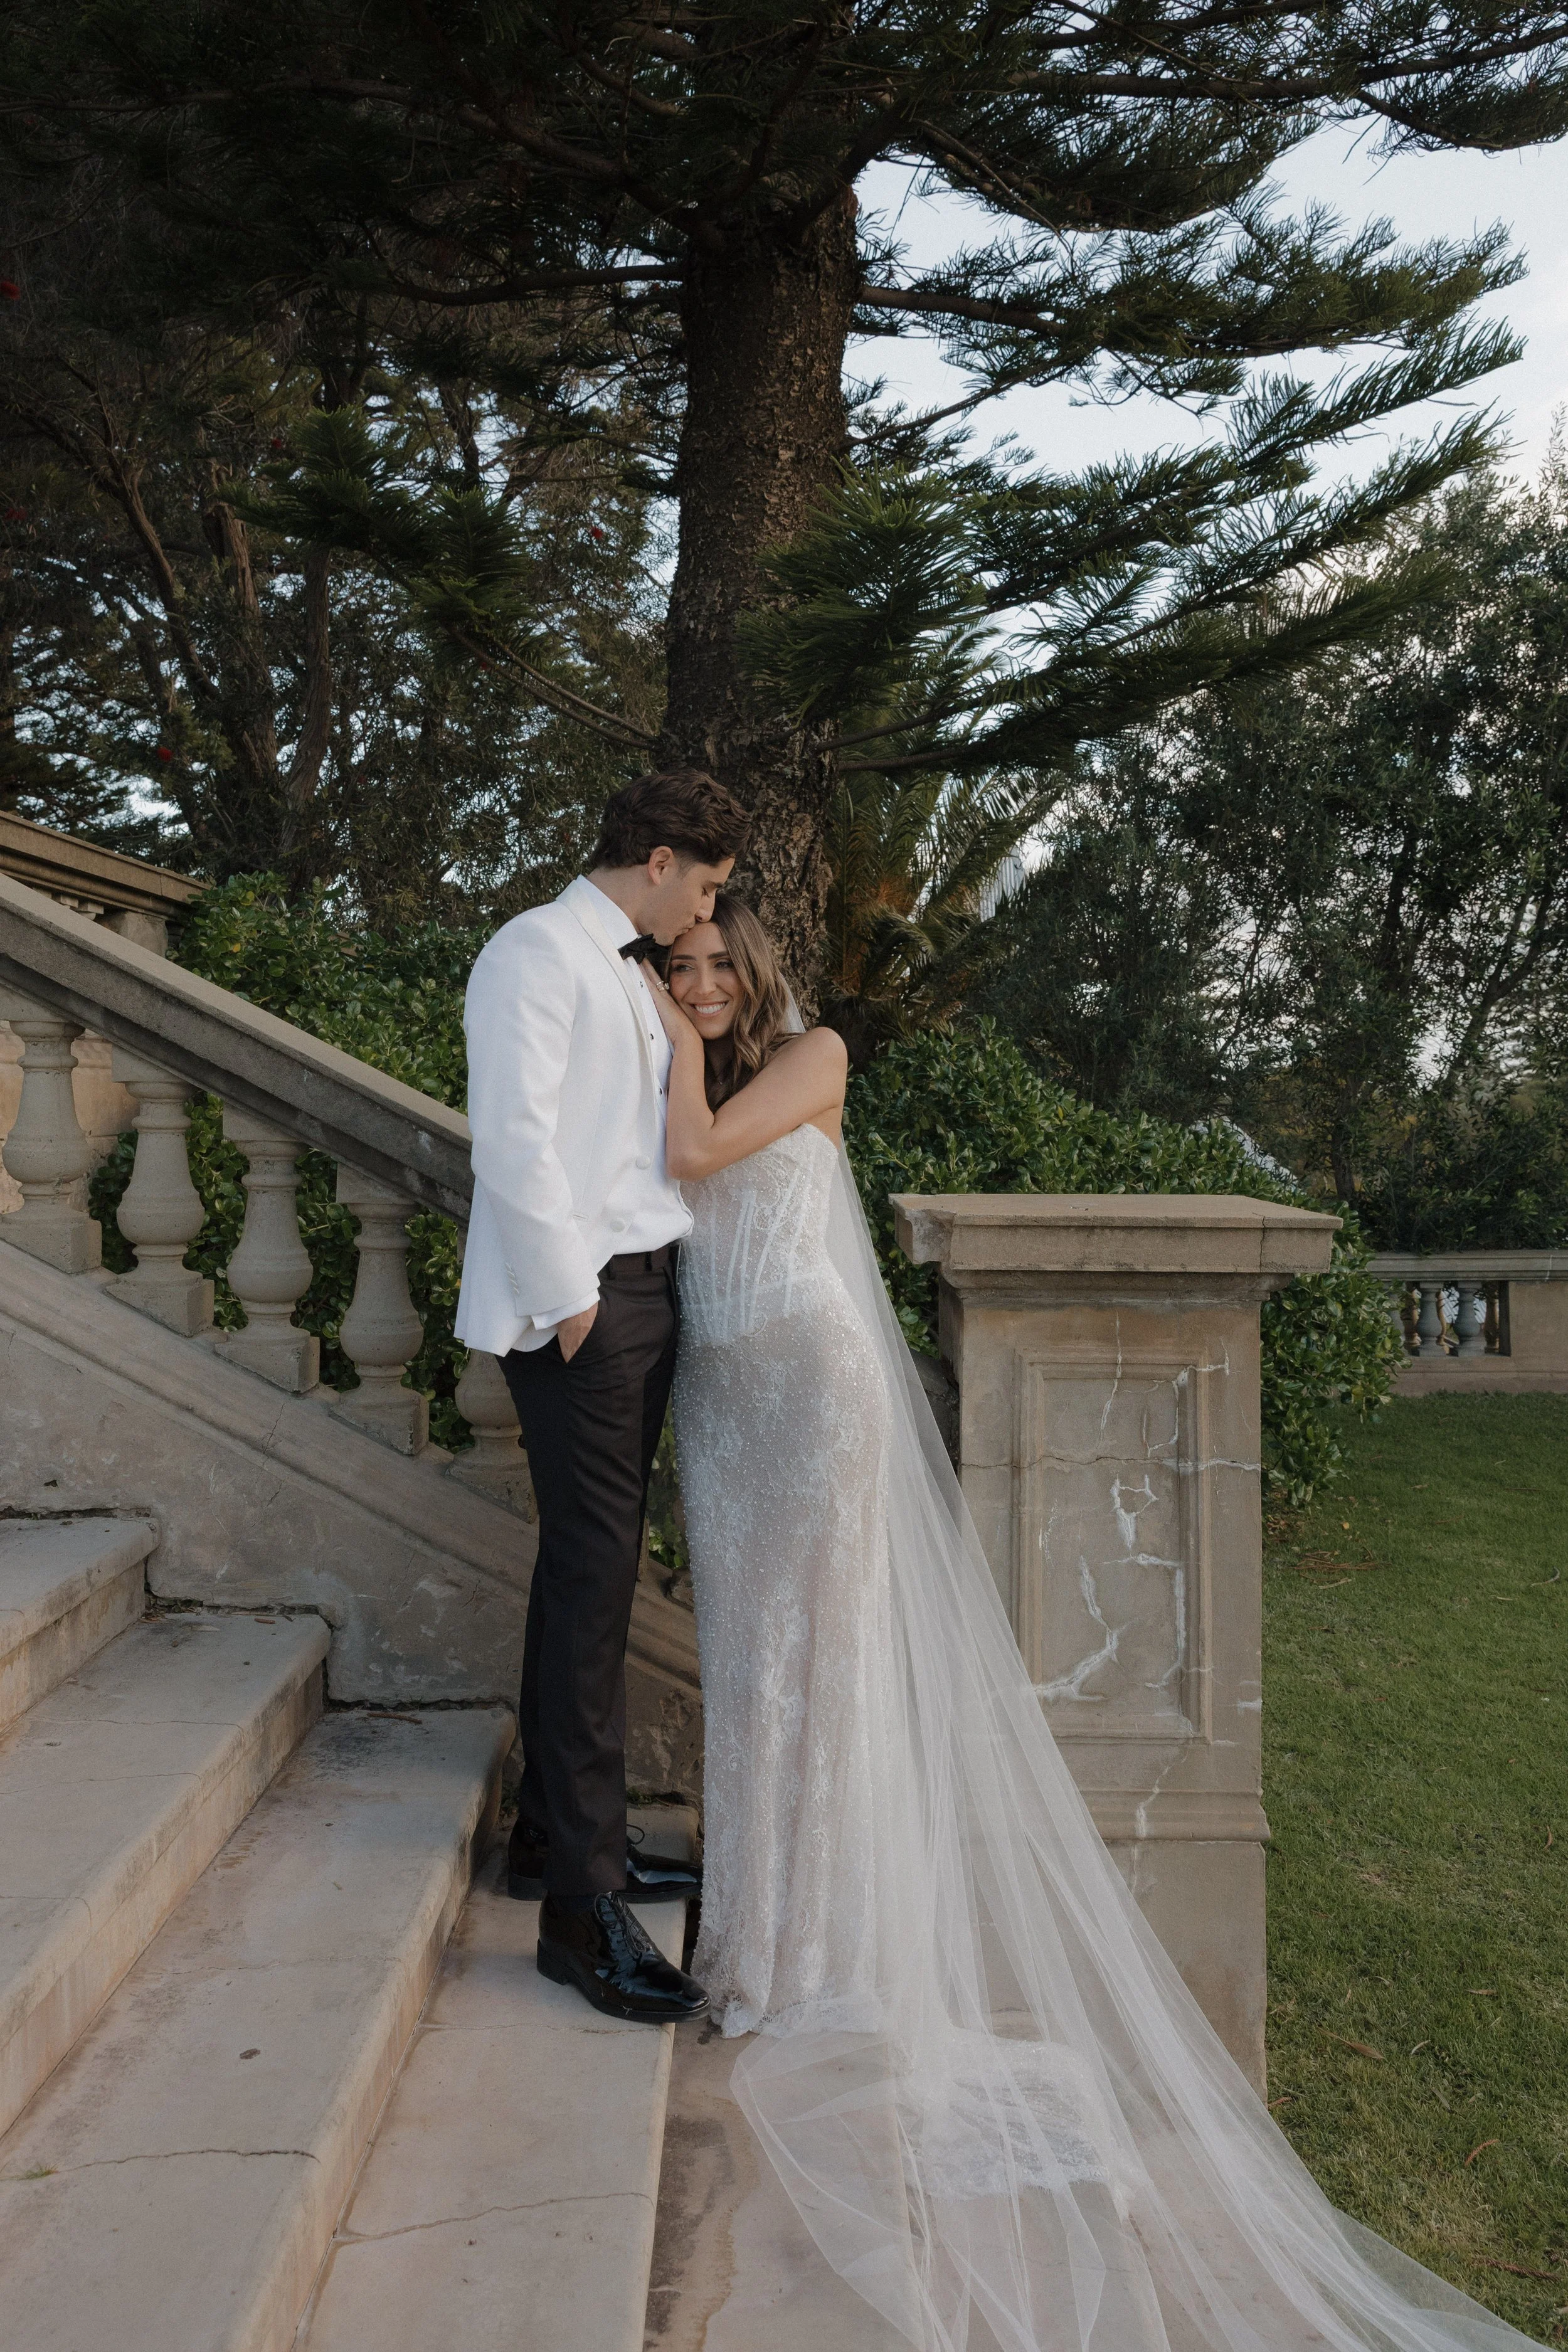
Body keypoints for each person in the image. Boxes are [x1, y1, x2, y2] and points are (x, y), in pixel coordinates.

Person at [648, 894, 1540, 2352]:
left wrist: (667, 1037)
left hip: (809, 1391)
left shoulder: (810, 1053)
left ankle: (805, 1962)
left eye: (709, 967)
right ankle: (756, 1936)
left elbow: (688, 1156)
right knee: (753, 1669)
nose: (695, 987)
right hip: (724, 1398)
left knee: (824, 1663)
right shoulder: (710, 1062)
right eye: (675, 969)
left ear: (753, 971)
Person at [455, 767, 746, 2026]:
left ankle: (552, 1843)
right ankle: (579, 1913)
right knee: (590, 1587)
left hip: (641, 1292)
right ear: (667, 860)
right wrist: (575, 1303)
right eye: (712, 887)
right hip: (584, 1311)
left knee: (590, 1576)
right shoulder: (534, 952)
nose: (711, 915)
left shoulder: (623, 962)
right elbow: (513, 1140)